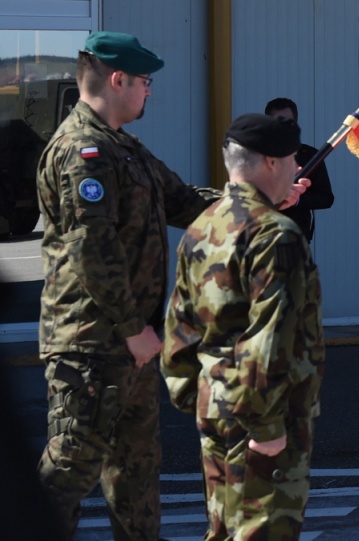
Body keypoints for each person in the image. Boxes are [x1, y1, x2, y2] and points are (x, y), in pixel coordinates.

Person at [35, 32, 308, 540]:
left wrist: (261, 198)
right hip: (92, 343)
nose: (149, 91)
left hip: (130, 346)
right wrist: (132, 327)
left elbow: (183, 200)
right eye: (144, 81)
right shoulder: (82, 152)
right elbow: (91, 249)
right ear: (118, 81)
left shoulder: (126, 149)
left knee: (135, 475)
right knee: (69, 470)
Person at [162, 114, 325, 539]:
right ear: (272, 163)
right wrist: (268, 430)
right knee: (261, 530)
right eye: (292, 159)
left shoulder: (203, 226)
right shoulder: (276, 235)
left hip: (214, 404)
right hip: (264, 417)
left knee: (223, 529)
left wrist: (193, 394)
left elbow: (179, 322)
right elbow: (269, 338)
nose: (295, 168)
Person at [265, 97, 334, 242]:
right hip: (261, 238)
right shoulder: (255, 155)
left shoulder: (310, 156)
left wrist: (295, 199)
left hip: (296, 241)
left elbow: (326, 199)